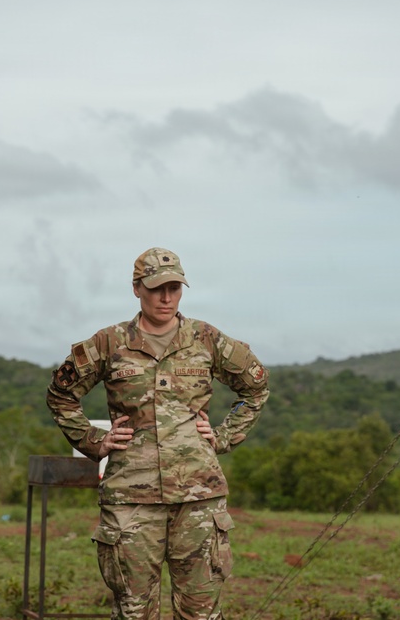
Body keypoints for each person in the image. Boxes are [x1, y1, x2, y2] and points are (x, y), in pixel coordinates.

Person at [46, 247, 270, 620]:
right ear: (137, 288)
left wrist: (224, 436)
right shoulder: (109, 343)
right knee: (134, 613)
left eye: (174, 288)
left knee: (201, 614)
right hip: (132, 500)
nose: (166, 298)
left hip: (198, 500)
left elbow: (256, 388)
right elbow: (60, 394)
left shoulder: (206, 339)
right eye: (156, 288)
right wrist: (93, 441)